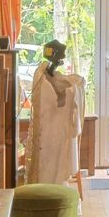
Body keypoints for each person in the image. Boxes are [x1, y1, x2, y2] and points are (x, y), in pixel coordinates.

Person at [26, 39, 82, 185]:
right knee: (47, 162)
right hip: (48, 128)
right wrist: (70, 92)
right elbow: (51, 100)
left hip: (57, 128)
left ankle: (54, 190)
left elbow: (62, 85)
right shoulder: (41, 76)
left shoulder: (50, 76)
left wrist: (71, 91)